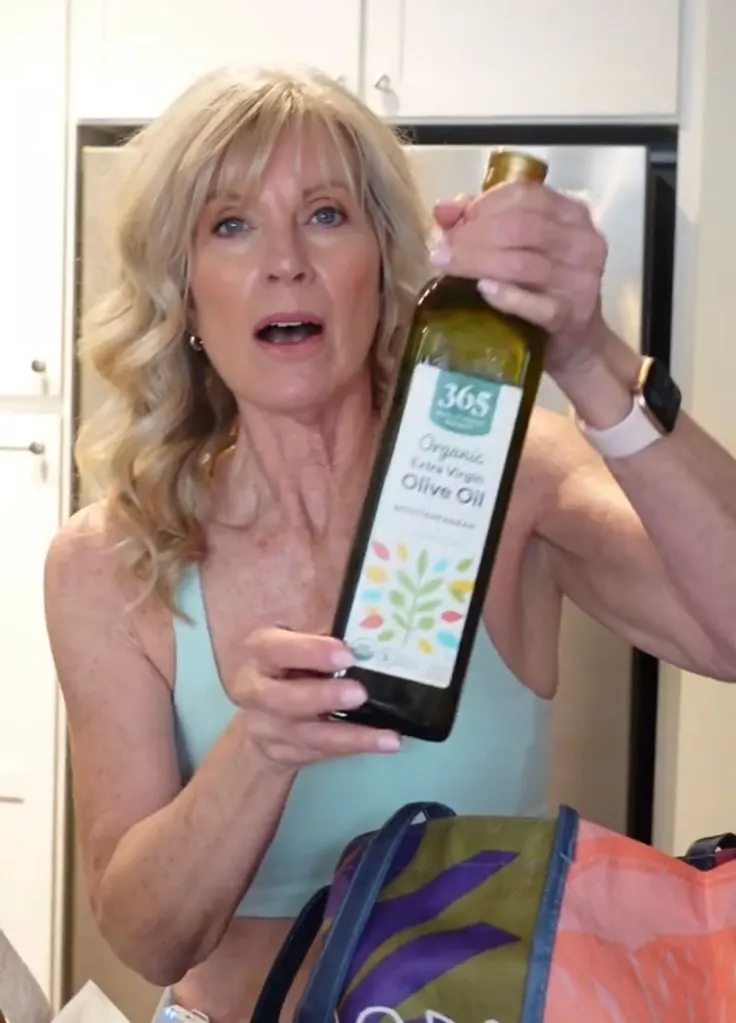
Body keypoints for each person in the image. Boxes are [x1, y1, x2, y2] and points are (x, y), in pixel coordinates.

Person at [44, 65, 736, 1023]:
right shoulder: (109, 560)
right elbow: (148, 935)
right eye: (231, 224)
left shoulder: (512, 468)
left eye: (325, 215)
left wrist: (591, 358)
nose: (285, 261)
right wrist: (261, 750)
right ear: (185, 292)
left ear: (386, 260)